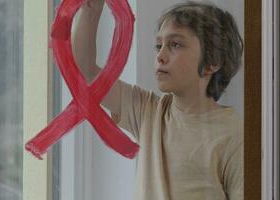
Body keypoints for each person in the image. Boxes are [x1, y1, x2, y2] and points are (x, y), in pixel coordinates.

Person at [72, 0, 244, 200]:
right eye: (159, 45)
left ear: (212, 62)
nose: (160, 56)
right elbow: (85, 70)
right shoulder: (148, 111)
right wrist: (90, 12)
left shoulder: (234, 136)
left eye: (175, 45)